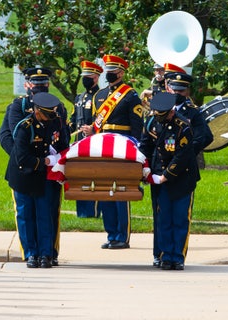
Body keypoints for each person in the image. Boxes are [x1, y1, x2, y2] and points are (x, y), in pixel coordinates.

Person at [5, 92, 69, 268]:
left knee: (44, 214)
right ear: (37, 111)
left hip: (45, 177)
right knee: (26, 215)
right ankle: (31, 254)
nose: (50, 118)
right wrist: (46, 161)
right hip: (23, 175)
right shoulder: (25, 127)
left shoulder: (56, 122)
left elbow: (63, 143)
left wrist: (60, 158)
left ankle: (46, 254)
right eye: (46, 114)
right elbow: (22, 157)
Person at [90, 54, 144, 250]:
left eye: (113, 71)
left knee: (120, 192)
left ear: (121, 73)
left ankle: (123, 235)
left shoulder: (130, 95)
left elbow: (137, 126)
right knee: (105, 191)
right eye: (108, 71)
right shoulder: (100, 96)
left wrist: (136, 151)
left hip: (122, 148)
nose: (109, 74)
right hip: (102, 147)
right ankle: (111, 233)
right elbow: (97, 124)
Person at [140, 92, 197, 270]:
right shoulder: (151, 122)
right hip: (158, 177)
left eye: (164, 116)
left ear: (172, 112)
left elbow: (182, 156)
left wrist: (166, 175)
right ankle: (165, 255)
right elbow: (145, 146)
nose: (160, 119)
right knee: (163, 218)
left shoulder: (183, 126)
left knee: (180, 218)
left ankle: (177, 257)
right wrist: (145, 168)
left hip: (181, 178)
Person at [70, 60, 102, 218]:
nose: (85, 79)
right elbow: (73, 118)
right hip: (79, 141)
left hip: (94, 142)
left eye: (88, 76)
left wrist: (94, 130)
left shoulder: (101, 97)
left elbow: (103, 120)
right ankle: (83, 211)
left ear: (96, 77)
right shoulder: (79, 97)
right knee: (80, 176)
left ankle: (94, 209)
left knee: (93, 175)